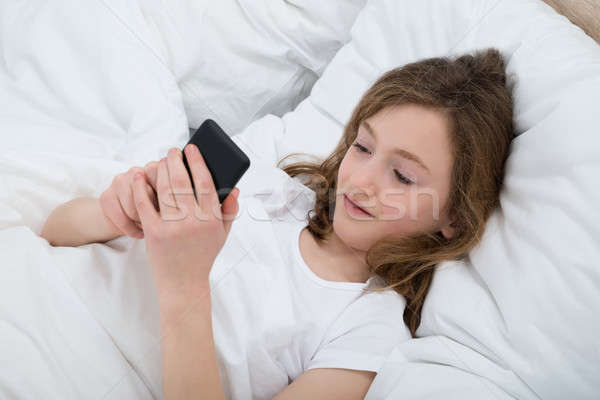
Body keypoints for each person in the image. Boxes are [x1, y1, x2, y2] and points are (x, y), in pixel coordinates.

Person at [40, 48, 514, 399]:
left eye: (404, 176)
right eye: (363, 147)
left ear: (453, 216)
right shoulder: (269, 188)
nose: (361, 181)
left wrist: (183, 289)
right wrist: (119, 212)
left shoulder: (367, 333)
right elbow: (55, 231)